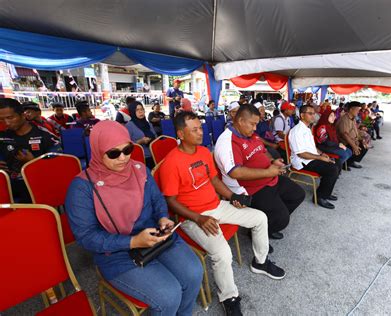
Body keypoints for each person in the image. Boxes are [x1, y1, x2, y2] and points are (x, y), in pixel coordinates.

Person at [65, 120, 202, 315]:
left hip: (155, 236)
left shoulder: (139, 170)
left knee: (194, 273)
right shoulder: (82, 187)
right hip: (117, 253)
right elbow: (87, 237)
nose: (123, 158)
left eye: (127, 149)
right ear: (97, 150)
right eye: (113, 153)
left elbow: (157, 200)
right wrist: (133, 241)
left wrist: (163, 217)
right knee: (169, 295)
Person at [159, 111, 285, 316]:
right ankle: (229, 297)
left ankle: (260, 262)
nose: (201, 132)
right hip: (193, 217)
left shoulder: (203, 152)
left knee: (260, 217)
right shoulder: (171, 163)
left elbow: (215, 181)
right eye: (194, 130)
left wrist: (233, 196)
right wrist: (199, 218)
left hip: (217, 205)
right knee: (223, 253)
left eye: (200, 128)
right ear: (181, 134)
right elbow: (171, 201)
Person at [214, 104, 305, 241]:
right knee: (282, 219)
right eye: (252, 124)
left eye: (256, 124)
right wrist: (269, 172)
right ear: (240, 121)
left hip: (267, 177)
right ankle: (259, 231)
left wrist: (273, 161)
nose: (255, 128)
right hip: (249, 188)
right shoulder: (228, 141)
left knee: (298, 194)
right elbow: (235, 172)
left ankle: (266, 225)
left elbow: (263, 151)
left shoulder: (249, 134)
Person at [0, 98, 61, 202]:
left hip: (39, 187)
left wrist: (33, 163)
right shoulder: (2, 136)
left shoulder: (46, 137)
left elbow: (60, 170)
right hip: (9, 188)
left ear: (23, 115)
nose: (6, 123)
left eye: (10, 118)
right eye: (1, 119)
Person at [288, 105, 339, 209]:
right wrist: (320, 158)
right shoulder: (296, 131)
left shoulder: (307, 128)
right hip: (302, 162)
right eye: (310, 113)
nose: (313, 116)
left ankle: (326, 192)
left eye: (313, 113)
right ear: (302, 115)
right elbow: (301, 154)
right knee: (331, 169)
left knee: (336, 162)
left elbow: (312, 147)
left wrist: (321, 154)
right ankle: (321, 197)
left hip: (310, 158)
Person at [336, 101, 368, 168]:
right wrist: (354, 145)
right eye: (357, 110)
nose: (358, 112)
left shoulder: (353, 119)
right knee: (358, 148)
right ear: (351, 109)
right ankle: (346, 163)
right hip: (344, 142)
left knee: (364, 145)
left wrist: (361, 139)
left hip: (352, 139)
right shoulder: (344, 119)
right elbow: (345, 135)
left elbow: (355, 130)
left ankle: (350, 161)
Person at [125, 101, 157, 169]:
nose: (140, 112)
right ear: (132, 112)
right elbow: (126, 146)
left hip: (154, 155)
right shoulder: (129, 126)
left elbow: (155, 136)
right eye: (137, 110)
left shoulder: (148, 124)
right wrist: (140, 141)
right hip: (140, 159)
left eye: (142, 109)